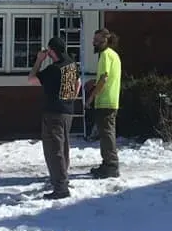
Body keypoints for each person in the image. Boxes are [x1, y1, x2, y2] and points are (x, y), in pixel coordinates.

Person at [28, 36, 80, 200]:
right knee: (63, 148)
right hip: (67, 112)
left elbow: (31, 79)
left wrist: (38, 61)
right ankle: (62, 179)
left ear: (52, 51)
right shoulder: (72, 64)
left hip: (53, 114)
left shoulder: (53, 69)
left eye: (48, 51)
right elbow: (78, 83)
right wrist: (71, 99)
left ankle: (60, 187)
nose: (47, 53)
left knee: (53, 150)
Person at [86, 28, 121, 178]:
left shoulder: (105, 55)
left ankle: (111, 166)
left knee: (106, 134)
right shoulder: (114, 55)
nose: (94, 42)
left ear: (105, 40)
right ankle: (107, 163)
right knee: (106, 133)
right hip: (110, 100)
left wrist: (91, 97)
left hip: (105, 101)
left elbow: (104, 79)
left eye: (96, 40)